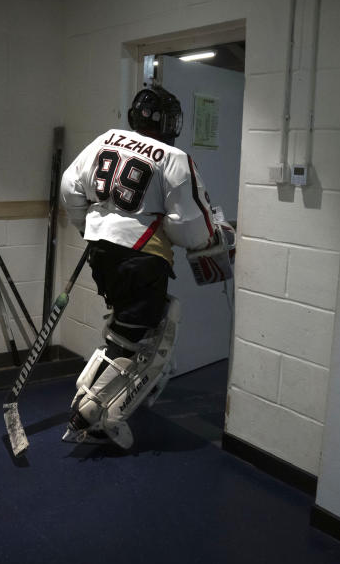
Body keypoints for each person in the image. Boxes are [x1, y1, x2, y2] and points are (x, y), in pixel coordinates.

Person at [59, 85, 222, 449]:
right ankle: (93, 412)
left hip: (101, 254)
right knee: (147, 340)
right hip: (142, 258)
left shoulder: (107, 138)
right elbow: (192, 230)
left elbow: (70, 186)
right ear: (169, 123)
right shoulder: (174, 157)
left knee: (121, 330)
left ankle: (91, 396)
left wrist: (88, 224)